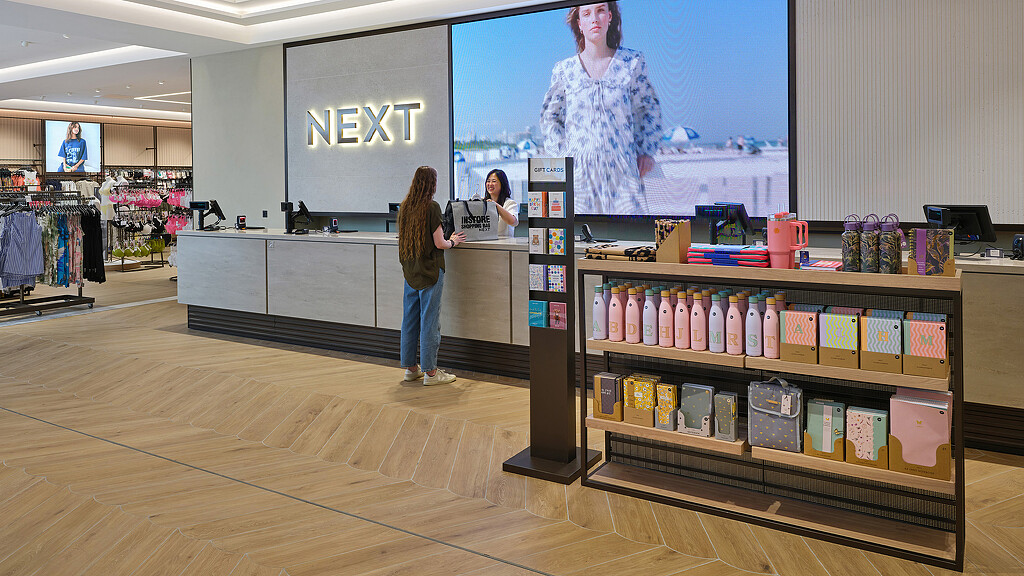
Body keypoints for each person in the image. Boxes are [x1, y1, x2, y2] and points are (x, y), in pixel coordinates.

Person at [540, 2, 662, 215]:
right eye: (586, 14)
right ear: (579, 23)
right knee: (579, 243)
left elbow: (649, 109)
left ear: (610, 17)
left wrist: (646, 151)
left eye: (600, 11)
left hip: (624, 177)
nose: (594, 19)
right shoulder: (564, 70)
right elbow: (550, 117)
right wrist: (564, 158)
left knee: (630, 241)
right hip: (579, 182)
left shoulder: (632, 62)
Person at [398, 166, 466, 386]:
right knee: (430, 322)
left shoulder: (405, 206)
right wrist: (453, 241)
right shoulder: (432, 207)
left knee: (409, 320)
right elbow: (439, 243)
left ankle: (410, 369)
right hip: (430, 272)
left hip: (411, 271)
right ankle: (431, 373)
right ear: (432, 184)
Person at [482, 169, 519, 238]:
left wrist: (495, 205)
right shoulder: (482, 202)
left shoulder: (510, 203)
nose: (490, 184)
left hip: (504, 244)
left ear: (502, 184)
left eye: (494, 181)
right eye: (488, 181)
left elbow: (513, 222)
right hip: (486, 242)